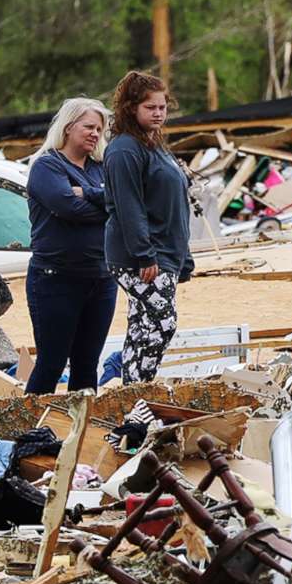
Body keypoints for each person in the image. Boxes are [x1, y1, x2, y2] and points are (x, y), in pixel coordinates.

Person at [103, 71, 193, 385]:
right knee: (161, 324)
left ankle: (132, 389)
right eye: (149, 108)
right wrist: (144, 255)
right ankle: (139, 388)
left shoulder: (153, 144)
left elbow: (175, 204)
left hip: (165, 254)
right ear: (131, 109)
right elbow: (129, 208)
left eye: (162, 107)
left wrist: (185, 258)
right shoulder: (125, 149)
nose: (158, 113)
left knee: (142, 326)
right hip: (138, 259)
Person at [21, 97, 115, 394]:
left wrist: (87, 193)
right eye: (88, 127)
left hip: (100, 279)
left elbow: (125, 204)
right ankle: (29, 436)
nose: (95, 134)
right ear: (68, 127)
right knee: (52, 362)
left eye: (99, 129)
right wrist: (106, 205)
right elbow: (69, 208)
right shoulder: (47, 166)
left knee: (87, 364)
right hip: (55, 278)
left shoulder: (101, 167)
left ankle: (81, 434)